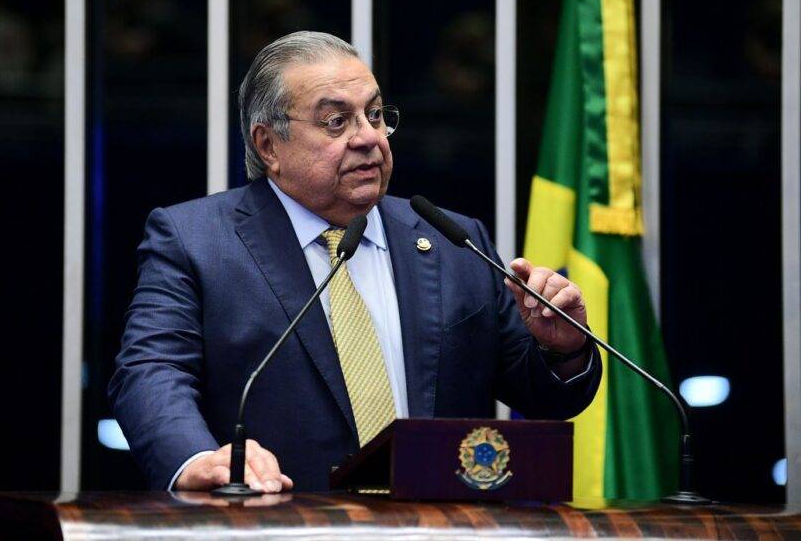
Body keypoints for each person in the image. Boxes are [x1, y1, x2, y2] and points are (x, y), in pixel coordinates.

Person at [109, 31, 601, 494]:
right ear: (268, 145)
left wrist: (566, 350)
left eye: (376, 114)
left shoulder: (453, 240)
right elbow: (151, 372)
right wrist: (196, 458)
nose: (369, 137)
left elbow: (543, 396)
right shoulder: (197, 241)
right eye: (336, 122)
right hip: (279, 527)